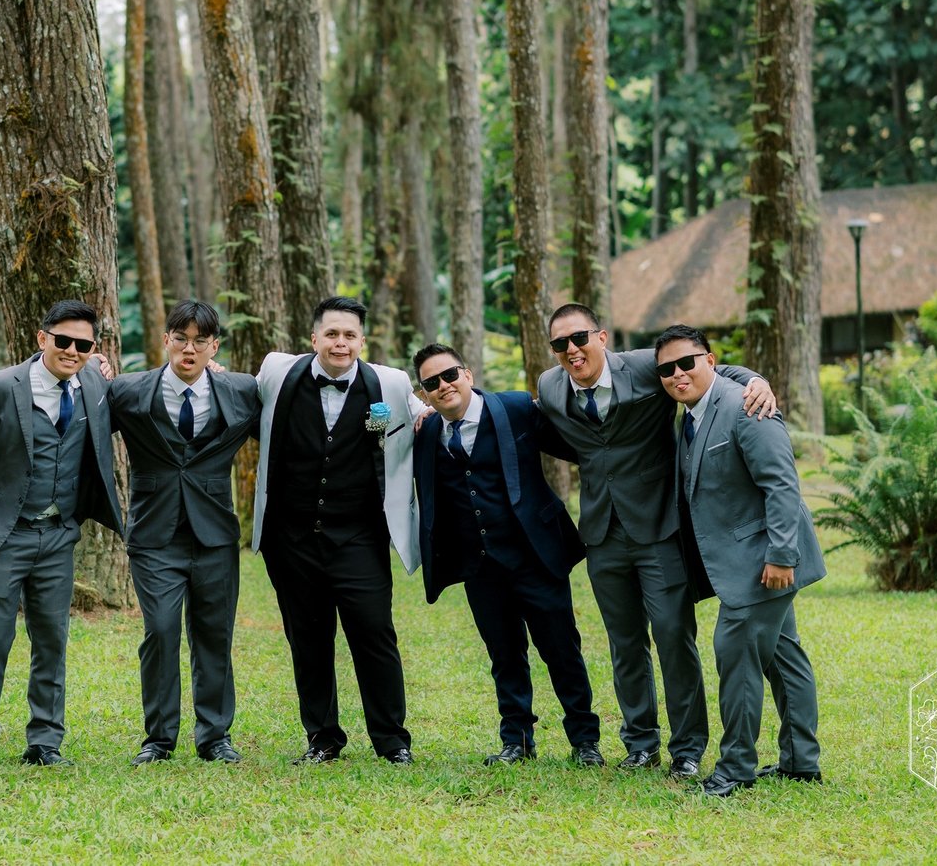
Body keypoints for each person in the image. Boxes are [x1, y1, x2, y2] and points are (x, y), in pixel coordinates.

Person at [536, 303, 776, 778]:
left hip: (659, 528)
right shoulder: (550, 385)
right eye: (559, 343)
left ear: (601, 337)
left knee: (672, 637)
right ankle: (640, 743)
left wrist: (757, 380)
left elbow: (707, 364)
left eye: (579, 338)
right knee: (624, 643)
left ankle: (686, 749)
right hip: (601, 534)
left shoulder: (647, 365)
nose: (571, 350)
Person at [411, 344, 603, 767]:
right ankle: (517, 740)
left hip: (535, 555)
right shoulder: (425, 431)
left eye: (449, 375)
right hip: (479, 565)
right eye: (431, 383)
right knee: (504, 654)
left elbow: (579, 444)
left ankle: (585, 740)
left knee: (561, 650)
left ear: (467, 374)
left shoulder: (517, 408)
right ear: (423, 393)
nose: (443, 386)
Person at [654, 324, 824, 797]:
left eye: (687, 363)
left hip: (764, 561)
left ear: (710, 360)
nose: (677, 374)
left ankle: (735, 769)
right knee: (783, 657)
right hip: (746, 560)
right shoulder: (691, 414)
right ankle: (801, 762)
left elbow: (781, 485)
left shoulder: (747, 406)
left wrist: (782, 555)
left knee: (737, 658)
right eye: (666, 369)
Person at [253, 296, 420, 765]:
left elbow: (414, 420)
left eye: (349, 335)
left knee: (375, 635)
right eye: (331, 334)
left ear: (362, 341)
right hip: (292, 540)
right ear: (314, 339)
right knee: (308, 641)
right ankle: (323, 739)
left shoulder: (389, 384)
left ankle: (392, 741)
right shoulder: (278, 373)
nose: (340, 343)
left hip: (359, 538)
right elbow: (227, 387)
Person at [0, 299, 123, 768]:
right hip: (5, 532)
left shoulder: (95, 383)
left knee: (52, 639)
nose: (72, 351)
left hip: (59, 534)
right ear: (42, 338)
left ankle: (45, 741)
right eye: (63, 340)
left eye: (83, 345)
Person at [107, 300, 260, 766]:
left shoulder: (242, 391)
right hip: (154, 535)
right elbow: (80, 416)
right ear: (166, 341)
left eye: (199, 341)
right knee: (160, 630)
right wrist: (93, 368)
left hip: (215, 534)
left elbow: (296, 405)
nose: (188, 349)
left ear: (214, 346)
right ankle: (158, 738)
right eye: (180, 339)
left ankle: (214, 736)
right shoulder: (128, 391)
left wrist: (405, 408)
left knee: (214, 634)